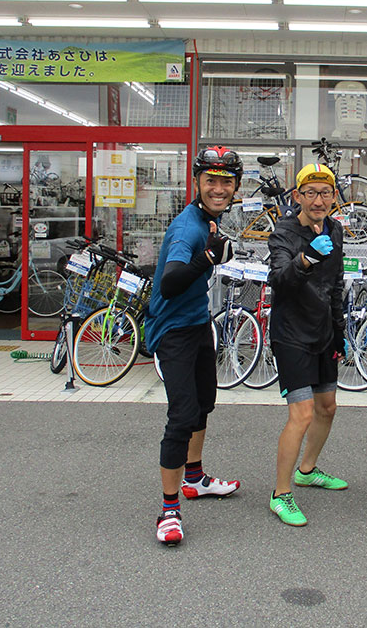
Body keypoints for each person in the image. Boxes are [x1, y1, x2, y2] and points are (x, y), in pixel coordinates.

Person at [148, 145, 242, 546]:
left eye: (226, 182)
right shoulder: (190, 227)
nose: (219, 189)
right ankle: (169, 511)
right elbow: (170, 282)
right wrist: (207, 257)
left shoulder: (210, 218)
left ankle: (194, 478)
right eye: (211, 181)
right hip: (173, 332)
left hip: (198, 323)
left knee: (204, 403)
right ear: (197, 183)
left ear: (235, 186)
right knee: (182, 416)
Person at [266, 163, 348, 527]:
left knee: (327, 407)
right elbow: (279, 280)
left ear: (334, 198)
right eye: (310, 192)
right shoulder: (284, 231)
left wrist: (340, 331)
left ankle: (307, 469)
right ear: (297, 196)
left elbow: (336, 284)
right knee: (300, 415)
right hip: (291, 334)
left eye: (325, 193)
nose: (318, 200)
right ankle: (280, 494)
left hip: (323, 332)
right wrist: (306, 258)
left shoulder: (335, 229)